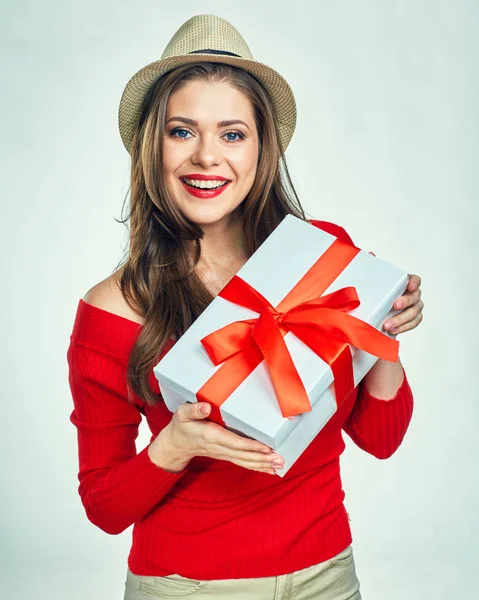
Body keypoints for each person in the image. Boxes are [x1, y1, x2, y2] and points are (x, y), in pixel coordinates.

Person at [67, 14, 424, 600]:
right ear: (150, 145)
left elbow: (380, 438)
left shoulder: (321, 258)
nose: (207, 157)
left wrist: (383, 334)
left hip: (326, 572)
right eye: (182, 131)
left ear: (263, 147)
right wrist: (175, 446)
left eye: (232, 134)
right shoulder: (113, 310)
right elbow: (104, 506)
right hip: (186, 585)